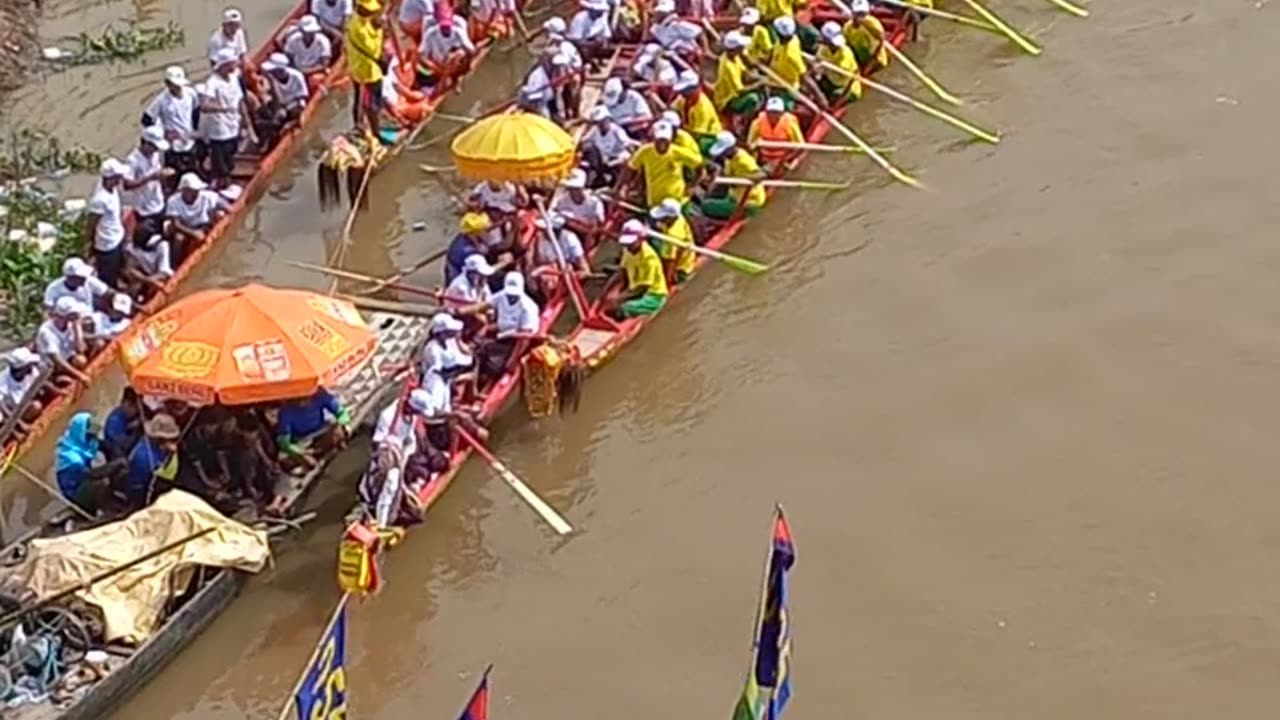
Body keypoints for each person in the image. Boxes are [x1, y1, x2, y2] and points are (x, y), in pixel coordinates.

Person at [201, 47, 256, 188]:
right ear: (224, 65)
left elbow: (239, 102)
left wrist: (247, 123)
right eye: (232, 63)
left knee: (231, 152)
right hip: (219, 129)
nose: (235, 65)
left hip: (233, 124)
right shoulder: (212, 83)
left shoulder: (233, 79)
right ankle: (222, 182)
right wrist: (223, 109)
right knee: (221, 159)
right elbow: (205, 105)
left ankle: (225, 177)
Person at [622, 120, 703, 208]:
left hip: (678, 201)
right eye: (659, 140)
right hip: (655, 201)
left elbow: (699, 165)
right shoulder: (644, 151)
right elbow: (631, 168)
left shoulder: (678, 152)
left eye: (665, 140)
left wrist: (692, 186)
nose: (662, 144)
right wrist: (625, 186)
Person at [480, 272, 540, 386]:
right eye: (509, 294)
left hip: (516, 340)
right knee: (478, 350)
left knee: (496, 367)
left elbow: (524, 340)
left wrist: (512, 362)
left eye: (514, 295)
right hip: (502, 334)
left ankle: (488, 381)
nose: (511, 297)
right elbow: (482, 306)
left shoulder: (528, 308)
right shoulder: (502, 296)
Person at [56, 413, 120, 516]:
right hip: (74, 488)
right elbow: (92, 474)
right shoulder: (70, 455)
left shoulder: (86, 440)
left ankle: (109, 498)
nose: (92, 436)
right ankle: (103, 511)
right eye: (89, 434)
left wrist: (116, 455)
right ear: (81, 432)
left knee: (110, 472)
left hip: (83, 478)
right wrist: (115, 465)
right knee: (102, 482)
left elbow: (106, 447)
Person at [277, 387, 352, 473]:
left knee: (343, 431)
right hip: (303, 442)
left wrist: (341, 424)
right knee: (284, 460)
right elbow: (284, 443)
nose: (303, 401)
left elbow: (342, 413)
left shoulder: (320, 394)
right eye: (299, 398)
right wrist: (301, 454)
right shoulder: (286, 411)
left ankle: (320, 453)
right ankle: (311, 459)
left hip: (322, 432)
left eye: (306, 396)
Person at [143, 67, 199, 178]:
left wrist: (196, 130)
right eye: (174, 85)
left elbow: (196, 111)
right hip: (173, 146)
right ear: (167, 84)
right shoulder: (162, 100)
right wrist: (163, 134)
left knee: (192, 171)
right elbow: (146, 119)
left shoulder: (191, 93)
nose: (178, 87)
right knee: (174, 174)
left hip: (189, 140)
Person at [700, 130, 768, 220]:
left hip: (749, 202)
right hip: (735, 197)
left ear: (731, 148)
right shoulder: (728, 158)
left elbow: (761, 175)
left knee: (706, 206)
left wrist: (739, 180)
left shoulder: (743, 160)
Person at [608, 219, 668, 318]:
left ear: (641, 239)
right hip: (633, 289)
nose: (628, 247)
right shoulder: (627, 251)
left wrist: (619, 298)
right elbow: (622, 271)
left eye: (632, 243)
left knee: (624, 308)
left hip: (653, 295)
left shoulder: (649, 258)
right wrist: (613, 290)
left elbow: (643, 288)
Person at [122, 126, 172, 242]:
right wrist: (150, 178)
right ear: (146, 143)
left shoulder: (155, 156)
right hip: (144, 209)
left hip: (159, 201)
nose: (156, 150)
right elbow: (127, 185)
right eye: (154, 147)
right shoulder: (133, 160)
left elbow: (158, 172)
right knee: (149, 239)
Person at [124, 413, 182, 510]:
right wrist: (172, 456)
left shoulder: (159, 448)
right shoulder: (144, 455)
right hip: (141, 492)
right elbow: (157, 478)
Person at [345, 0, 386, 131]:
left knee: (361, 100)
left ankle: (362, 125)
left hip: (358, 67)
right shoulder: (360, 28)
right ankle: (375, 131)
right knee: (371, 103)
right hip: (367, 71)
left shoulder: (357, 20)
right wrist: (379, 30)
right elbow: (374, 51)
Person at [87, 158, 128, 289]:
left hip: (117, 236)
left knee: (119, 267)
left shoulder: (112, 189)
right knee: (108, 276)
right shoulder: (100, 200)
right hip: (107, 243)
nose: (120, 179)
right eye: (117, 177)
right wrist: (90, 245)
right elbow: (92, 224)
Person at [417, 3, 477, 92]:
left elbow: (471, 50)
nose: (446, 29)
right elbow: (421, 55)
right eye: (443, 26)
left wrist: (466, 63)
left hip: (454, 62)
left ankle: (455, 78)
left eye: (448, 26)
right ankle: (444, 80)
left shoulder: (458, 31)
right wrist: (433, 66)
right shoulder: (430, 33)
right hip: (438, 63)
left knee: (457, 56)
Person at [166, 173, 225, 262]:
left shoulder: (207, 196)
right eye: (192, 191)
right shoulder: (173, 201)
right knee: (179, 239)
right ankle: (175, 265)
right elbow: (176, 224)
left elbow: (225, 205)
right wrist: (193, 232)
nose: (196, 193)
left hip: (202, 225)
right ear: (184, 190)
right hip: (184, 227)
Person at [530, 212, 591, 297]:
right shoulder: (542, 241)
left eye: (544, 229)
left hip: (571, 269)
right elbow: (543, 262)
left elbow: (584, 269)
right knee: (546, 278)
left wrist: (573, 273)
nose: (542, 231)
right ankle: (551, 300)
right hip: (555, 272)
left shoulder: (569, 238)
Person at [713, 30, 765, 130]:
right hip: (727, 100)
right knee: (753, 99)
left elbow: (745, 73)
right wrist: (758, 84)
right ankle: (744, 125)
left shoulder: (734, 58)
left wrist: (760, 78)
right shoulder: (727, 67)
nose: (742, 49)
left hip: (734, 94)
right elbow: (740, 90)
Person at [260, 52, 310, 147]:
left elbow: (303, 96)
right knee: (275, 116)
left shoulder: (297, 76)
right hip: (280, 104)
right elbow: (273, 96)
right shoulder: (271, 79)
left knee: (297, 107)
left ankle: (294, 122)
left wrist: (288, 108)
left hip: (294, 103)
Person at [768, 16, 821, 107]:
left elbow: (805, 77)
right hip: (773, 74)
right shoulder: (791, 39)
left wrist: (820, 97)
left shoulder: (790, 55)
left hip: (784, 85)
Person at [37, 298, 91, 386]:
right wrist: (79, 376)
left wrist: (77, 328)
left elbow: (81, 349)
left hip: (69, 358)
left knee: (81, 360)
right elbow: (57, 359)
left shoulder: (71, 325)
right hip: (54, 367)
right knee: (65, 381)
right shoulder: (46, 332)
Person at [580, 105, 637, 186]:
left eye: (602, 121)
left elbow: (626, 144)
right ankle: (595, 176)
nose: (600, 124)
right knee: (589, 150)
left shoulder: (616, 130)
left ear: (608, 119)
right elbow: (584, 140)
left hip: (616, 159)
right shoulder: (595, 130)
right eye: (598, 122)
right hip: (603, 160)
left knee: (624, 160)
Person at [670, 69, 723, 154]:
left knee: (699, 145)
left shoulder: (703, 107)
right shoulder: (683, 98)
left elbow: (698, 134)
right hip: (689, 130)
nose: (681, 93)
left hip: (707, 136)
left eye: (684, 90)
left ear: (692, 89)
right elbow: (673, 108)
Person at [647, 197, 695, 282]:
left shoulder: (673, 236)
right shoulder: (678, 217)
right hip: (675, 248)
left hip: (680, 266)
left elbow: (671, 261)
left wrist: (667, 281)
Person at [748, 96, 804, 168]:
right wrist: (755, 144)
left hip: (783, 161)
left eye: (777, 112)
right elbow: (750, 144)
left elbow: (800, 145)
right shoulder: (758, 122)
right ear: (766, 112)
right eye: (771, 112)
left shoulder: (790, 123)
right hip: (764, 161)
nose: (774, 115)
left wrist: (792, 160)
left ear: (782, 113)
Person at [444, 212, 497, 284]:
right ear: (476, 233)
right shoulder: (471, 254)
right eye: (486, 230)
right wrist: (504, 263)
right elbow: (485, 272)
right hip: (464, 287)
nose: (489, 233)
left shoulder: (461, 238)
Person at [553, 168, 607, 238]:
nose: (573, 192)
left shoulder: (594, 201)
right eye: (570, 188)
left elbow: (599, 223)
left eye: (576, 188)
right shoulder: (563, 202)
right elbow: (564, 220)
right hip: (573, 233)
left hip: (592, 233)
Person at [817, 20, 861, 103]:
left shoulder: (846, 54)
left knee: (834, 99)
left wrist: (826, 64)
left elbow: (841, 74)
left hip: (845, 86)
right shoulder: (824, 49)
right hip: (831, 80)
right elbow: (818, 60)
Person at [44, 257, 109, 313]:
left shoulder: (88, 280)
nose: (84, 278)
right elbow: (49, 309)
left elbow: (106, 291)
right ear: (71, 278)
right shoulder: (54, 288)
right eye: (80, 277)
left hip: (88, 318)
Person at [0, 348, 44, 431]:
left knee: (36, 406)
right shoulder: (2, 382)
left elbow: (40, 382)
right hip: (10, 415)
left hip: (25, 405)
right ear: (23, 367)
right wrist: (20, 423)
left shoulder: (31, 370)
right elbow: (3, 407)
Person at [124, 232, 176, 301]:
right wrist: (147, 281)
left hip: (156, 276)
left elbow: (164, 273)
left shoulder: (162, 245)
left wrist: (150, 281)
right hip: (142, 277)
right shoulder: (131, 248)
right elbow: (129, 270)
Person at [286, 14, 334, 86]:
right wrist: (296, 71)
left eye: (312, 31)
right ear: (301, 30)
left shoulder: (323, 41)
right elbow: (288, 58)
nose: (310, 34)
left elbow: (324, 64)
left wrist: (307, 71)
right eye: (307, 32)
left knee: (315, 79)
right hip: (297, 70)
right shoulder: (293, 39)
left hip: (315, 71)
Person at [444, 254, 496, 320]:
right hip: (456, 316)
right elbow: (470, 310)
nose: (485, 278)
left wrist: (490, 311)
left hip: (475, 313)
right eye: (480, 274)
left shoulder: (481, 283)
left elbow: (489, 299)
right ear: (471, 273)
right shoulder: (460, 286)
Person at [845, 0, 888, 71]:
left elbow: (881, 40)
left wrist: (872, 61)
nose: (860, 17)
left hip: (876, 60)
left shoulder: (873, 24)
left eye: (863, 14)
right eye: (858, 13)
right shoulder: (847, 28)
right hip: (861, 59)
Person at [102, 387, 143, 461]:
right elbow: (122, 446)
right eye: (136, 408)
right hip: (114, 455)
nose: (137, 412)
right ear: (127, 404)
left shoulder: (126, 415)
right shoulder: (114, 422)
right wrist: (135, 432)